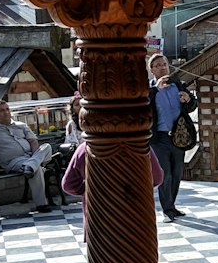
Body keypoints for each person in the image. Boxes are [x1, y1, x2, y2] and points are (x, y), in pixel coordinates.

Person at [62, 139, 163, 238]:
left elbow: (68, 184)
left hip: (98, 219)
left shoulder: (85, 148)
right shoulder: (141, 146)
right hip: (135, 216)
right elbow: (157, 177)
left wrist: (90, 189)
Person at [148, 53, 198, 222]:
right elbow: (143, 108)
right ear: (152, 70)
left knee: (177, 173)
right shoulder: (149, 90)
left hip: (179, 137)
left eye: (165, 64)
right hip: (159, 139)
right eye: (159, 65)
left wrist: (188, 99)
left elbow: (192, 106)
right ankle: (166, 209)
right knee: (165, 174)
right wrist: (156, 89)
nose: (163, 67)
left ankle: (172, 206)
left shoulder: (178, 85)